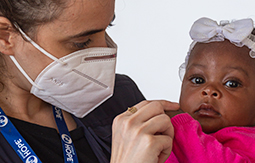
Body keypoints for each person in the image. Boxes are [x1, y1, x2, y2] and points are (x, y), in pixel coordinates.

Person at [0, 1, 179, 163]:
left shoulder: (120, 96)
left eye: (108, 27)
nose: (104, 53)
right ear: (5, 36)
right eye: (82, 42)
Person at [165, 17, 255, 163]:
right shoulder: (176, 131)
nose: (209, 90)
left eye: (231, 84)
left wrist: (182, 127)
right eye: (198, 80)